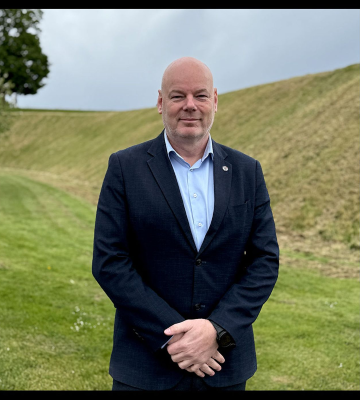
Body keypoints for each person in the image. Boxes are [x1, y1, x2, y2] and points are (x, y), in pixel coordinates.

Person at [92, 56, 279, 391]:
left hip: (223, 366)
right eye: (178, 96)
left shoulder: (247, 171)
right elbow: (110, 262)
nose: (190, 105)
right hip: (145, 367)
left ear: (215, 101)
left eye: (200, 95)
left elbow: (264, 261)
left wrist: (216, 329)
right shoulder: (125, 167)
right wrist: (175, 337)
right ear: (161, 102)